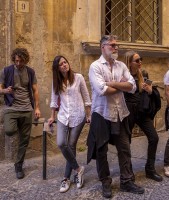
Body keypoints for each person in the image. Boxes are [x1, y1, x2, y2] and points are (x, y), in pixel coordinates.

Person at [87, 35, 144, 199]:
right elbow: (101, 90)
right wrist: (122, 86)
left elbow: (133, 87)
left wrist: (111, 84)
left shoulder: (121, 66)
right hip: (102, 113)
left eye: (117, 45)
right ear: (102, 47)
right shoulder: (95, 66)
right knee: (101, 151)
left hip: (121, 113)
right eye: (112, 45)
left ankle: (126, 181)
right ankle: (106, 182)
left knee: (124, 148)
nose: (115, 47)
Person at [48, 55, 91, 193]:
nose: (64, 65)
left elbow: (86, 97)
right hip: (62, 117)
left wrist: (89, 115)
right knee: (61, 143)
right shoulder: (56, 82)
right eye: (61, 64)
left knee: (71, 145)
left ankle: (66, 178)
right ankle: (78, 169)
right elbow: (54, 100)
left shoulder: (78, 77)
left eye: (65, 62)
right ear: (57, 68)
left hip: (78, 116)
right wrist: (51, 117)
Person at [0, 48, 41, 179]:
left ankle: (18, 165)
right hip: (11, 108)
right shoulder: (6, 71)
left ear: (25, 60)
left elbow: (35, 91)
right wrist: (5, 91)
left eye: (21, 61)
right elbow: (0, 88)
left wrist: (37, 108)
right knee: (9, 130)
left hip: (26, 108)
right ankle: (16, 126)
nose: (18, 63)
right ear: (14, 59)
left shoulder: (30, 72)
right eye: (16, 61)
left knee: (24, 139)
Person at [124, 51, 163, 182]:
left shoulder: (143, 74)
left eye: (141, 59)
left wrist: (150, 91)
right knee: (126, 142)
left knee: (154, 137)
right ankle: (128, 172)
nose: (140, 62)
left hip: (141, 112)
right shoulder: (123, 75)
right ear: (129, 62)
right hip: (128, 112)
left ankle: (150, 169)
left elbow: (150, 92)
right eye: (137, 60)